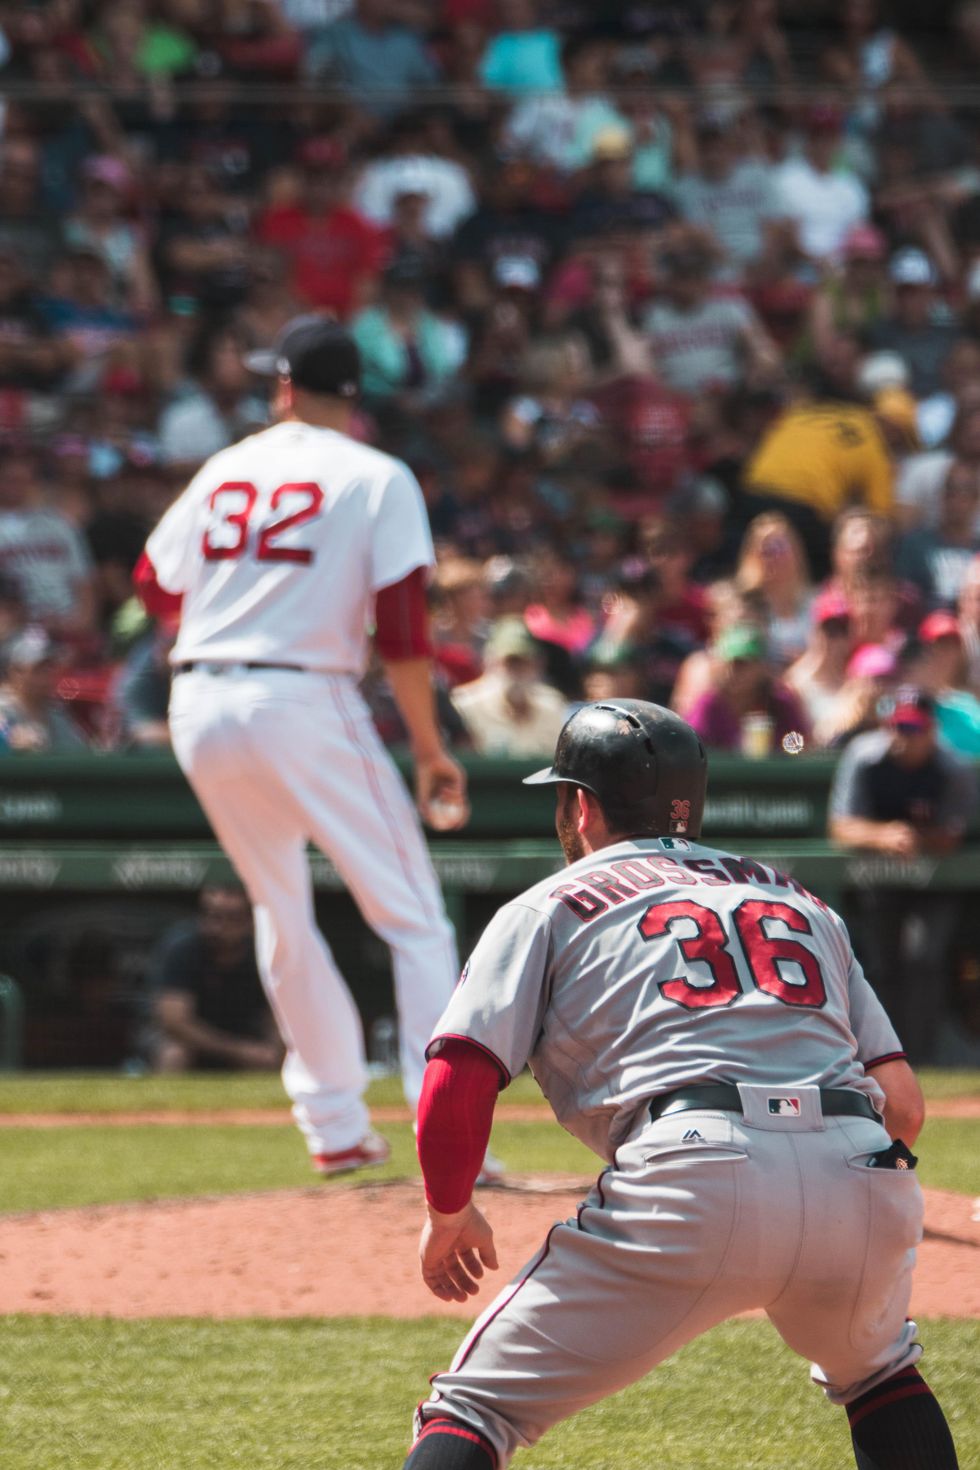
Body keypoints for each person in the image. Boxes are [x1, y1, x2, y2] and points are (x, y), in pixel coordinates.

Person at [401, 699, 960, 1470]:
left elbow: (456, 1076)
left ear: (581, 805)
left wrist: (449, 1212)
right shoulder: (800, 901)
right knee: (880, 1375)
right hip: (862, 1167)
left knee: (474, 1408)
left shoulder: (547, 905)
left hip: (694, 1165)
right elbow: (902, 1106)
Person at [134, 314, 469, 1178]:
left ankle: (333, 1125)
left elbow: (152, 584)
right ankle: (445, 1132)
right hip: (301, 693)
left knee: (281, 908)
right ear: (355, 396)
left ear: (284, 386)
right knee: (415, 918)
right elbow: (400, 628)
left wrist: (241, 611)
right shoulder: (376, 473)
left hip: (201, 695)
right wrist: (430, 749)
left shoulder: (225, 466)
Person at [829, 687, 977, 1063]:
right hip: (879, 879)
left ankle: (923, 1058)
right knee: (880, 962)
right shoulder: (866, 756)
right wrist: (884, 835)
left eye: (914, 729)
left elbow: (951, 834)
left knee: (925, 958)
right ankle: (882, 1059)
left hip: (937, 882)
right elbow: (841, 826)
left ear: (931, 730)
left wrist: (918, 838)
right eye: (898, 727)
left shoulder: (952, 767)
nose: (904, 737)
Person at [145, 884, 283, 1072]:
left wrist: (272, 1051)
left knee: (269, 1056)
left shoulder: (261, 953)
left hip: (243, 1037)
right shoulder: (184, 948)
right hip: (194, 1041)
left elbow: (276, 1015)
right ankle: (164, 1103)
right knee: (174, 1054)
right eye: (211, 915)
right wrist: (238, 1051)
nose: (218, 927)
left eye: (231, 918)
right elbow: (175, 1022)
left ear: (250, 921)